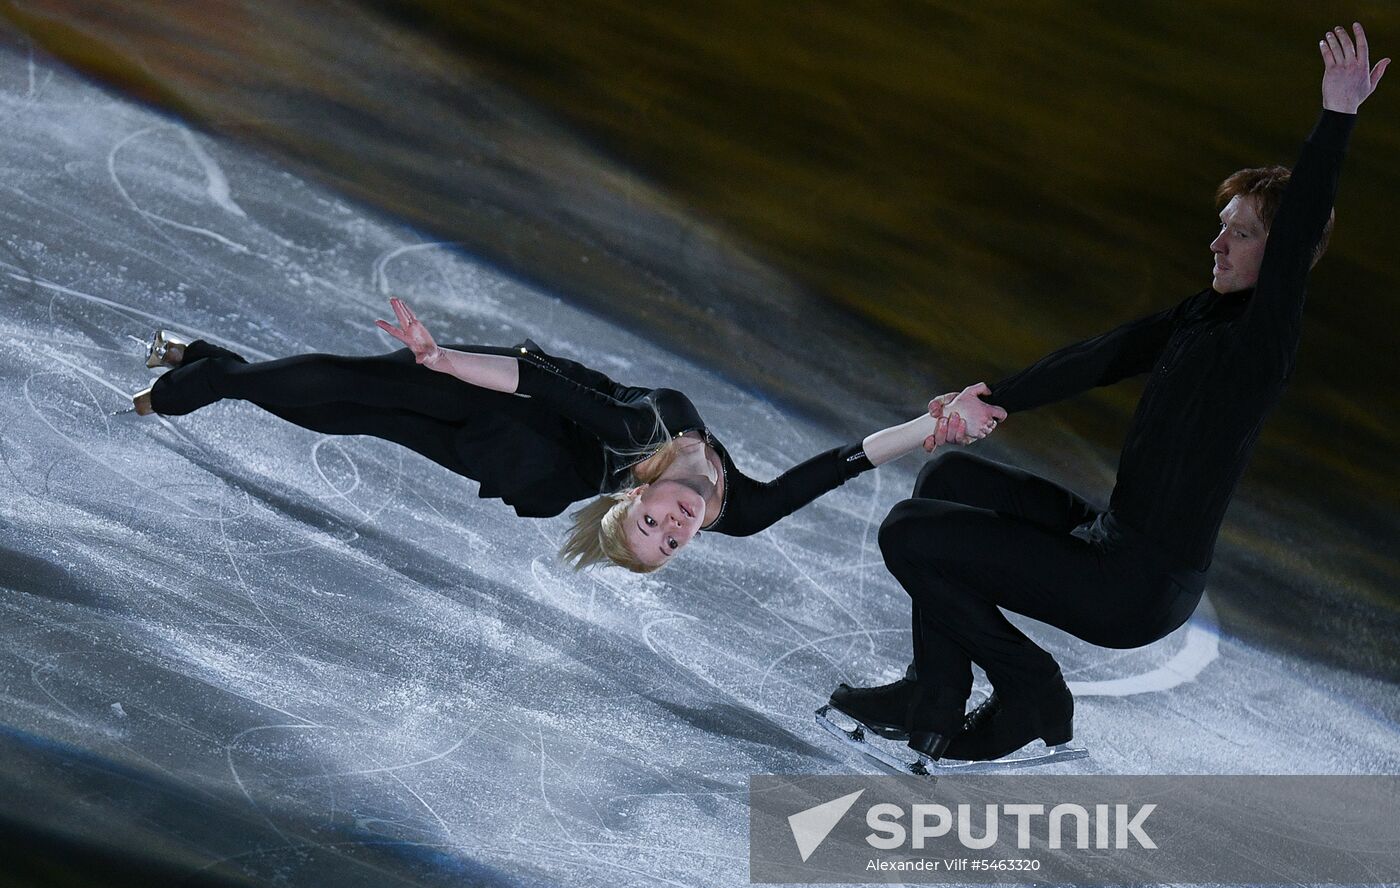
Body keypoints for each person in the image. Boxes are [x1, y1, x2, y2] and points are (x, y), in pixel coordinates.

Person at [834, 23, 1388, 764]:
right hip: (1111, 541)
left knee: (909, 532)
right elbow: (1106, 355)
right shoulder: (1205, 314)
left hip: (1134, 587)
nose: (1217, 245)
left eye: (1242, 235)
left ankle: (1031, 689)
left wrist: (1337, 118)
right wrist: (993, 397)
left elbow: (1298, 235)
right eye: (1221, 228)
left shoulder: (1264, 340)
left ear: (1282, 251)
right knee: (949, 479)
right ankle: (933, 694)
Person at [130, 297, 1001, 573]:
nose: (673, 523)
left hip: (520, 443)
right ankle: (214, 372)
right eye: (671, 536)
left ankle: (215, 372)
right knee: (354, 393)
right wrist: (928, 426)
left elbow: (538, 386)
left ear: (635, 499)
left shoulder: (644, 433)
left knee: (361, 406)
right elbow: (844, 463)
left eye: (652, 527)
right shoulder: (742, 509)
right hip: (519, 414)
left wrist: (440, 361)